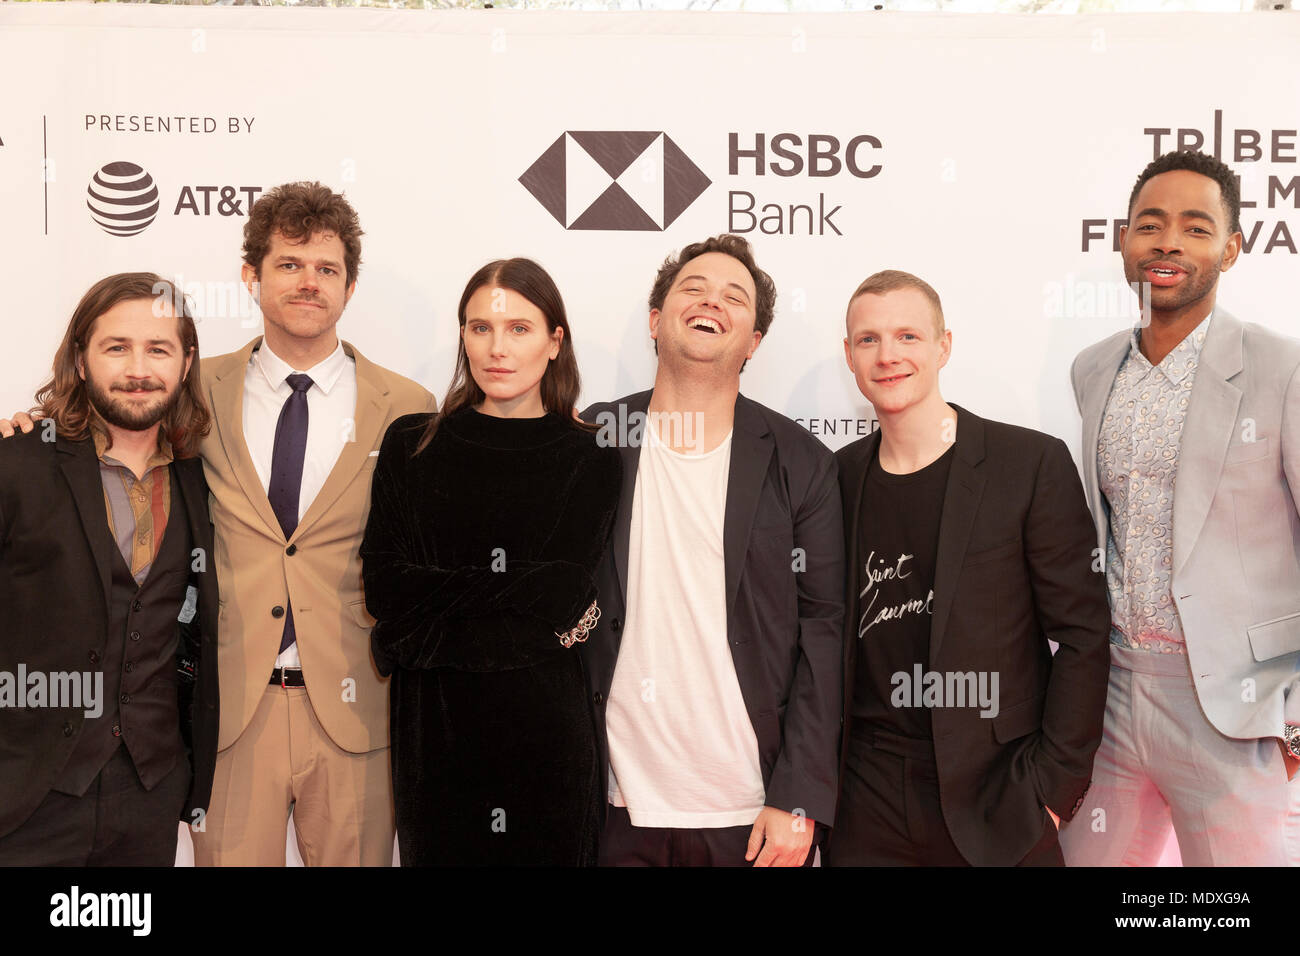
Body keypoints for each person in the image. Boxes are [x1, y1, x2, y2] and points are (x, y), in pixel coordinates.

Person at [1061, 150, 1300, 866]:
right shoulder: (1094, 367)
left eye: (1195, 228)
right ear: (1124, 242)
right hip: (1113, 696)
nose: (1167, 243)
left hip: (1239, 711)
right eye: (1150, 225)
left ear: (1230, 248)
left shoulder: (1279, 368)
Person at [826, 270, 1110, 866]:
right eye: (869, 339)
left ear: (943, 346)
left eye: (907, 336)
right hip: (865, 796)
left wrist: (1053, 790)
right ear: (849, 355)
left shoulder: (1027, 463)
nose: (888, 355)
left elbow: (1082, 636)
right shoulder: (837, 476)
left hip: (998, 793)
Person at [580, 234, 844, 867]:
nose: (712, 303)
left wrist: (800, 797)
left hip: (750, 815)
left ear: (753, 342)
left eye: (735, 297)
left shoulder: (800, 461)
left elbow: (826, 632)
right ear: (656, 319)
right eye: (693, 289)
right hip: (612, 806)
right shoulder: (592, 440)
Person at [359, 258, 620, 865]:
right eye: (480, 328)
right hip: (434, 740)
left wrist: (421, 636)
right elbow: (386, 589)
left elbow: (564, 601)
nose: (497, 348)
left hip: (546, 736)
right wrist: (519, 589)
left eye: (519, 329)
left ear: (556, 342)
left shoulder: (591, 455)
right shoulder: (411, 442)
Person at [0, 273, 219, 865]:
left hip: (148, 796)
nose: (138, 368)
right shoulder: (17, 460)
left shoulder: (201, 479)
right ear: (80, 357)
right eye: (116, 347)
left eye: (159, 348)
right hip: (26, 795)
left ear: (187, 361)